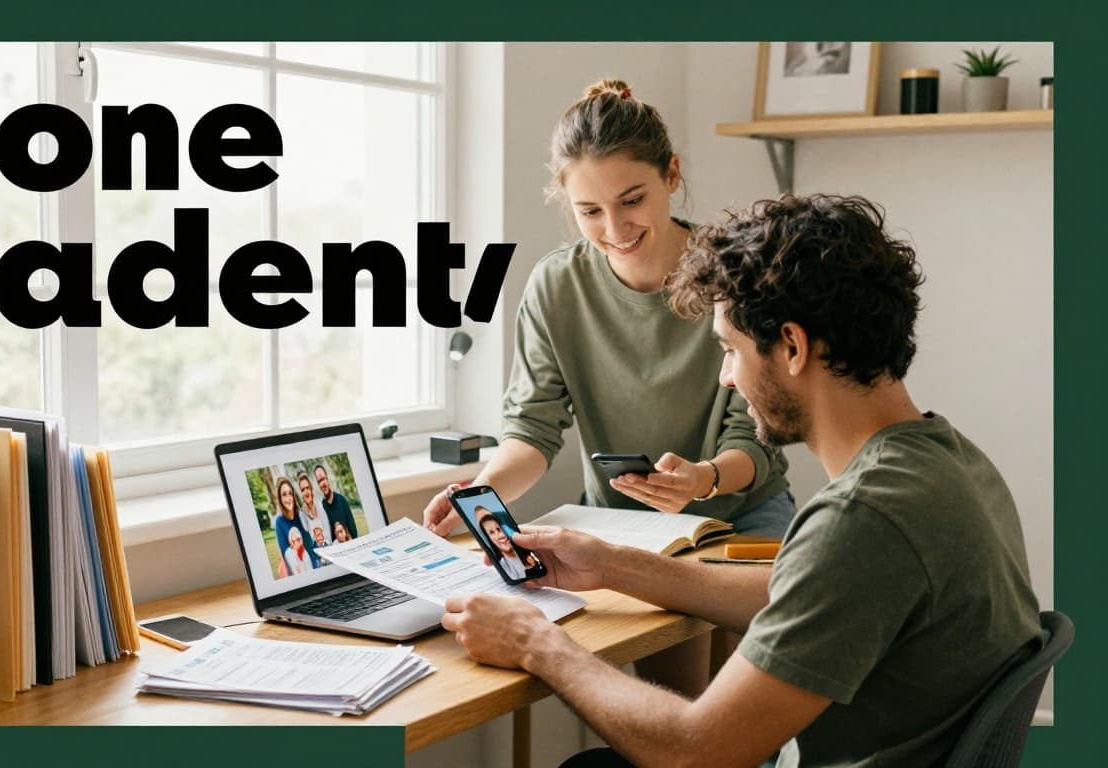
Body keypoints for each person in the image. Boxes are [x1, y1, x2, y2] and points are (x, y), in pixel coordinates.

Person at [441, 194, 1043, 767]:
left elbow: (692, 751)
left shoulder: (863, 517)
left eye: (730, 350)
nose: (727, 377)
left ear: (791, 346)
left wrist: (536, 645)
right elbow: (811, 591)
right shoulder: (950, 462)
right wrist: (611, 564)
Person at [423, 78, 793, 544]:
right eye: (590, 211)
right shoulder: (557, 287)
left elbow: (756, 433)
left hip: (742, 514)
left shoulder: (737, 273)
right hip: (618, 525)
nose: (615, 228)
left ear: (672, 174)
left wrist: (703, 479)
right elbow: (532, 428)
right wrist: (478, 493)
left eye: (632, 200)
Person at [271, 475, 313, 577]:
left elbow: (310, 545)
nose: (288, 498)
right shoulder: (279, 522)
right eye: (284, 494)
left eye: (290, 493)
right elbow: (287, 555)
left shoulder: (301, 517)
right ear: (280, 499)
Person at [476, 507, 527, 581]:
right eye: (491, 532)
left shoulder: (527, 552)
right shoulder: (503, 565)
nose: (501, 536)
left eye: (498, 529)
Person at [315, 464, 358, 540]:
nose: (322, 484)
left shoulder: (342, 500)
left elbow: (353, 531)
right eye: (319, 481)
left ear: (327, 479)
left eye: (323, 479)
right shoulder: (322, 507)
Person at [298, 470, 332, 546]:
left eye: (307, 488)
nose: (306, 491)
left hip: (328, 545)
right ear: (301, 494)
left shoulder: (320, 505)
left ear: (311, 489)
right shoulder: (302, 514)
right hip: (315, 551)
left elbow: (328, 532)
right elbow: (308, 539)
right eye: (303, 490)